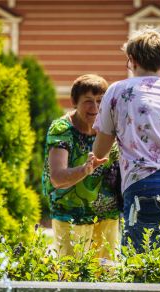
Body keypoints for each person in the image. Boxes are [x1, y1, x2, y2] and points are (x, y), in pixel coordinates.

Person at [92, 28, 160, 252]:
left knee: (142, 268)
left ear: (131, 61)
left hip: (146, 184)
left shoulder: (117, 91)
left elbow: (100, 151)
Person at [42, 74, 121, 260]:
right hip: (71, 215)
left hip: (107, 215)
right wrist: (85, 170)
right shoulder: (62, 129)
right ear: (74, 102)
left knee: (107, 276)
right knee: (72, 277)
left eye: (100, 101)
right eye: (88, 101)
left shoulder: (110, 127)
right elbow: (57, 177)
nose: (95, 107)